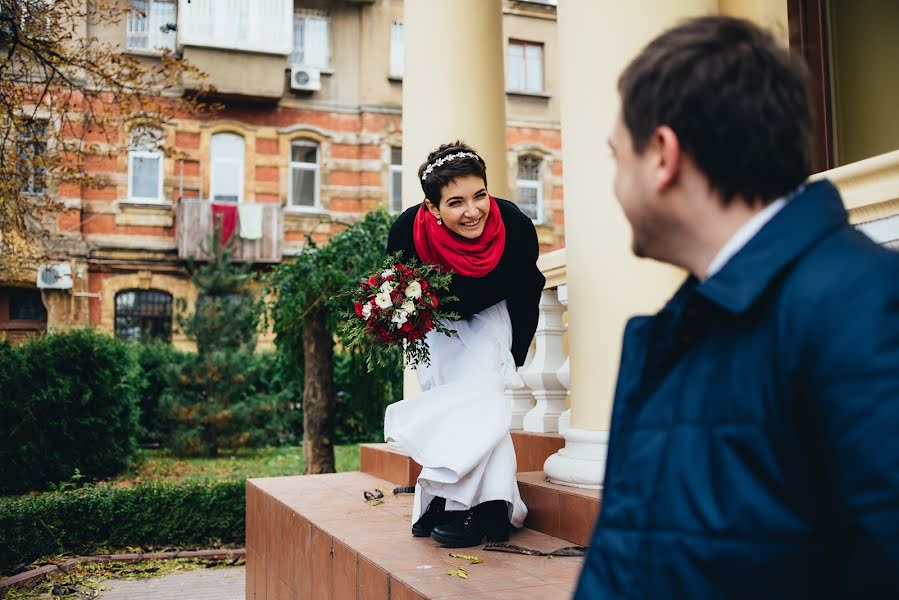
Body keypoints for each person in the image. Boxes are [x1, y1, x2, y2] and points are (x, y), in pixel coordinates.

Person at [576, 15, 899, 599]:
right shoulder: (689, 322)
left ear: (662, 157)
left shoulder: (862, 308)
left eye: (616, 156)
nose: (615, 183)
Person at [383, 140, 545, 548]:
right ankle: (456, 502)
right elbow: (395, 289)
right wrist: (401, 328)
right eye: (455, 202)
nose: (472, 211)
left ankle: (477, 509)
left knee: (483, 405)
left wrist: (516, 353)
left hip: (493, 320)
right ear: (433, 208)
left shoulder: (514, 225)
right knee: (452, 413)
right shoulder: (407, 231)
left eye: (479, 195)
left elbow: (529, 289)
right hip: (438, 329)